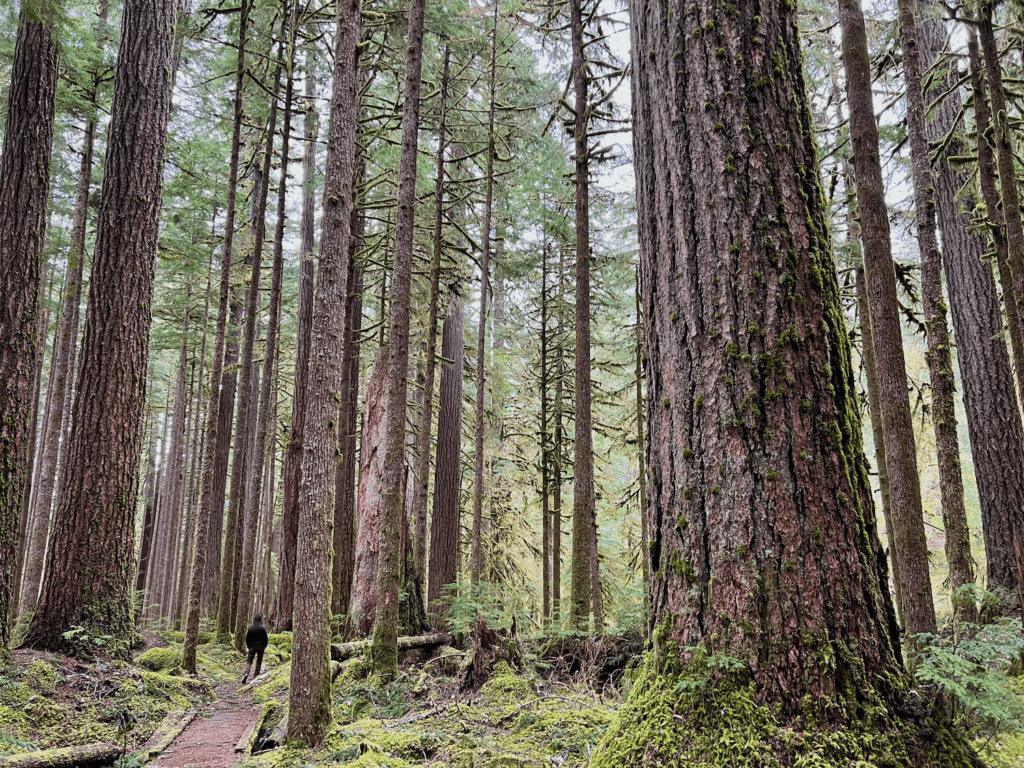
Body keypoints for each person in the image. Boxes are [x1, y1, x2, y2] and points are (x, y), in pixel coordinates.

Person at [241, 613, 269, 684]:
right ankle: (256, 675)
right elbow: (265, 639)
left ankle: (246, 673)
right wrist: (264, 646)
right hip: (261, 648)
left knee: (249, 661)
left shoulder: (250, 628)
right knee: (259, 662)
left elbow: (247, 638)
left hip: (251, 647)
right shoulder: (263, 628)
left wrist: (248, 646)